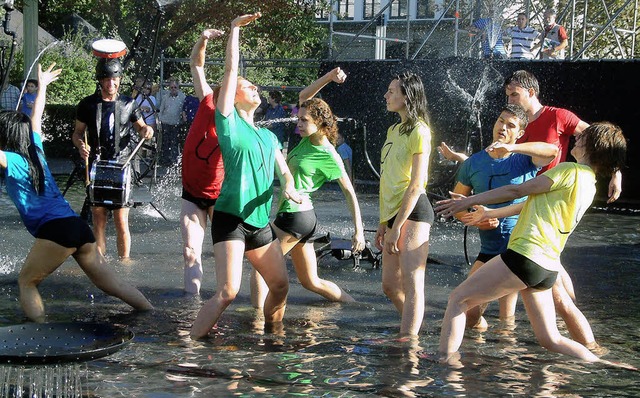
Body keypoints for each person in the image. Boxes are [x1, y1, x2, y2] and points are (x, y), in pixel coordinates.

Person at [435, 122, 627, 365]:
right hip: (547, 268)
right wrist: (489, 212)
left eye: (583, 138)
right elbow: (528, 203)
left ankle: (445, 365)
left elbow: (518, 191)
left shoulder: (568, 170)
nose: (577, 139)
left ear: (594, 146)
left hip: (526, 255)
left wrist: (468, 201)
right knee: (551, 339)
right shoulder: (589, 184)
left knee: (458, 299)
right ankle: (606, 365)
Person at [0, 63, 153, 322]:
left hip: (56, 229)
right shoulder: (35, 149)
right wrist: (43, 86)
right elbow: (35, 118)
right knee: (112, 285)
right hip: (77, 227)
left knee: (27, 281)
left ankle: (39, 334)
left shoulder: (13, 160)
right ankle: (151, 313)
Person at [190, 13, 301, 339]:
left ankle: (271, 337)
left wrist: (290, 189)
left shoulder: (268, 137)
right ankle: (189, 349)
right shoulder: (228, 121)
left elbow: (284, 172)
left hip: (260, 223)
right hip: (231, 218)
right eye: (247, 86)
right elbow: (230, 70)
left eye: (255, 86)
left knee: (280, 285)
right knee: (228, 292)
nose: (255, 88)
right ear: (233, 95)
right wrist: (234, 29)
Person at [251, 67, 365, 307]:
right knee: (310, 281)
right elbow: (304, 96)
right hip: (300, 217)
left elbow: (349, 192)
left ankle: (257, 324)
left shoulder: (328, 154)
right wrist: (330, 76)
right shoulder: (306, 139)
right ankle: (355, 305)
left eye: (304, 121)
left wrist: (359, 231)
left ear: (321, 124)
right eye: (298, 119)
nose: (298, 123)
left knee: (261, 267)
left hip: (297, 216)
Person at [442, 104, 558, 329]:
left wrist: (513, 149)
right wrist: (476, 220)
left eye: (511, 125)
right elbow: (456, 206)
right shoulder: (472, 163)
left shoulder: (525, 160)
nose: (503, 128)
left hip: (524, 248)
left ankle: (505, 353)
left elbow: (552, 152)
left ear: (520, 133)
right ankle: (486, 347)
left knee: (522, 313)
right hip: (491, 249)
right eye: (500, 121)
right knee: (470, 313)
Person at [72, 57, 154, 260]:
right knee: (98, 218)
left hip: (122, 164)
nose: (111, 84)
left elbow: (141, 127)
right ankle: (100, 261)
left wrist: (147, 130)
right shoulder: (87, 104)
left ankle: (124, 262)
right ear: (100, 80)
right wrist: (80, 145)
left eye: (115, 79)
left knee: (121, 219)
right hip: (97, 165)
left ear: (120, 79)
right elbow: (77, 133)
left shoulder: (129, 103)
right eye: (107, 80)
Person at [375, 72, 434, 336]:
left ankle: (409, 343)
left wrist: (397, 226)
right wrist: (382, 222)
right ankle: (413, 325)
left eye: (391, 91)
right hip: (392, 216)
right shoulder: (392, 129)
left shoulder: (420, 130)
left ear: (407, 95)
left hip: (413, 212)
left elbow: (416, 184)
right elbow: (387, 179)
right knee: (390, 285)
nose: (386, 96)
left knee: (412, 283)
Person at [504, 70, 622, 201]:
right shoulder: (511, 123)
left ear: (531, 92)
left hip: (547, 197)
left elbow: (602, 140)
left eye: (514, 94)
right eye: (508, 96)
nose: (510, 101)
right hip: (515, 195)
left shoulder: (557, 116)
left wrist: (616, 173)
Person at [180, 28, 225, 294]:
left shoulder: (236, 122)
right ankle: (190, 308)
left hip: (220, 196)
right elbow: (196, 64)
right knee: (189, 252)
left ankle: (222, 303)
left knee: (224, 256)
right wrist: (203, 38)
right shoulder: (207, 100)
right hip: (192, 192)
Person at [159, 77, 186, 165]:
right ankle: (164, 160)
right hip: (166, 122)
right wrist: (160, 120)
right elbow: (161, 109)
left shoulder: (182, 97)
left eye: (175, 87)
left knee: (175, 143)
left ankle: (174, 161)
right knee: (165, 142)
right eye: (172, 87)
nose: (173, 89)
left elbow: (184, 110)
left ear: (178, 88)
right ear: (169, 88)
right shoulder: (165, 97)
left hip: (176, 123)